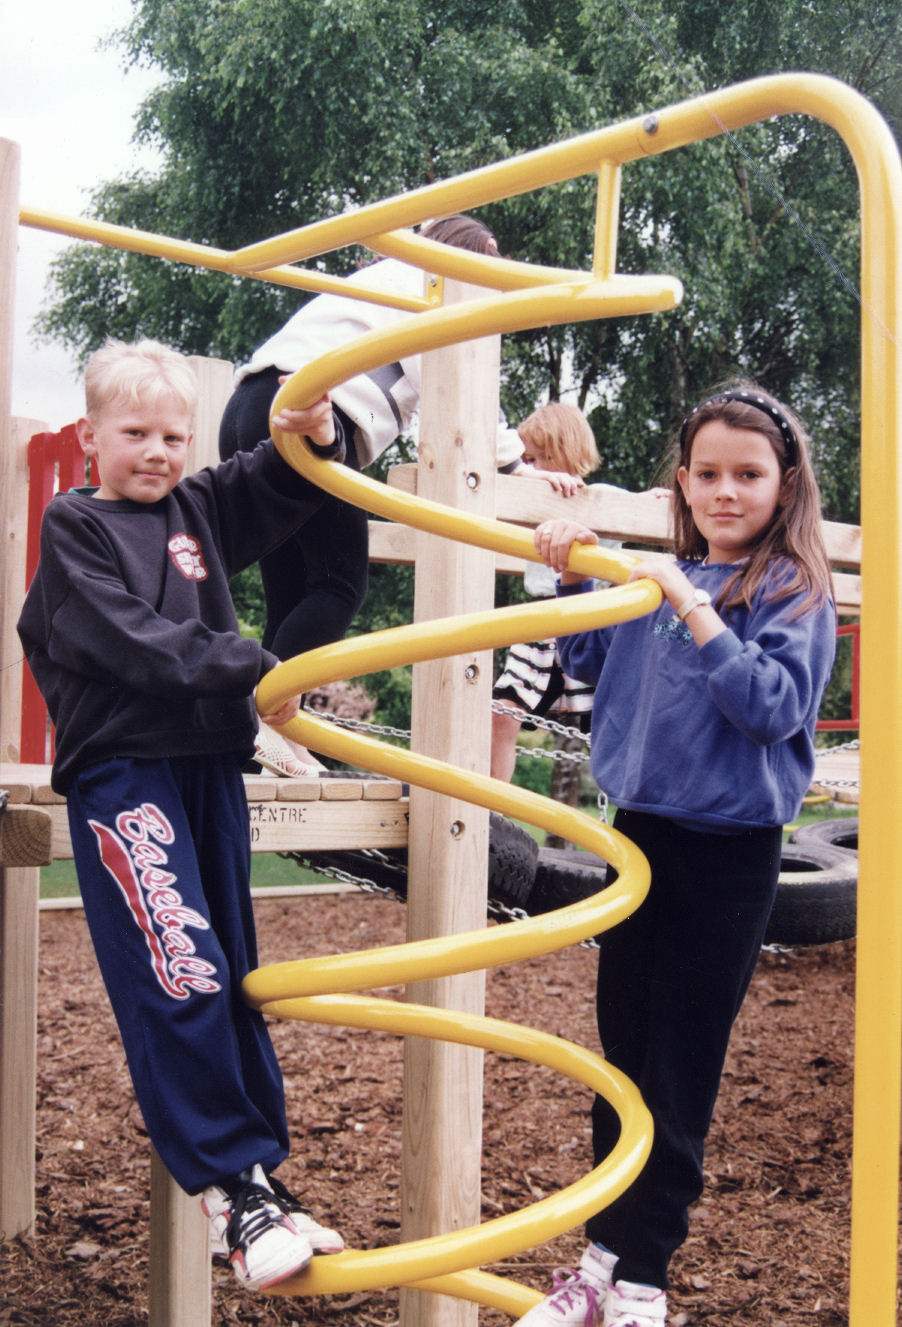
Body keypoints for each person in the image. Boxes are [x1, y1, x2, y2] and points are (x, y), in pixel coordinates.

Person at [17, 339, 347, 1294]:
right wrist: (256, 664)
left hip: (206, 763)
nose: (157, 452)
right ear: (90, 436)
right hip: (126, 770)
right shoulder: (76, 527)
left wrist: (310, 434)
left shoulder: (194, 509)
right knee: (180, 965)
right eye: (135, 433)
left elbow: (275, 484)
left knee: (233, 971)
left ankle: (257, 1183)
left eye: (173, 435)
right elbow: (134, 642)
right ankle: (230, 1187)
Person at [517, 384, 836, 1327]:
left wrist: (692, 602)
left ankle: (643, 1280)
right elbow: (585, 662)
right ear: (682, 483)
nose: (725, 491)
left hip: (729, 852)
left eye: (748, 474)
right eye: (706, 473)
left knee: (681, 1064)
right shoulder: (656, 578)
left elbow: (772, 705)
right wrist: (570, 570)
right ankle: (600, 1262)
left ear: (785, 485)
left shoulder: (789, 591)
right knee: (624, 1056)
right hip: (641, 835)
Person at [221, 213, 576, 776]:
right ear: (474, 254)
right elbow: (462, 383)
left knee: (294, 591)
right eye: (493, 267)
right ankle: (262, 722)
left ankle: (270, 739)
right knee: (339, 584)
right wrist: (514, 462)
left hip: (249, 405)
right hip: (309, 411)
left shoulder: (384, 279)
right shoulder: (436, 283)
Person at [491, 402, 602, 782]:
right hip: (540, 621)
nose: (528, 468)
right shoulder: (528, 499)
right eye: (525, 460)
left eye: (536, 459)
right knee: (501, 713)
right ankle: (491, 805)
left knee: (608, 724)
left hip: (588, 623)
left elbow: (633, 511)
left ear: (565, 451)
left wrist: (653, 499)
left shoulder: (601, 497)